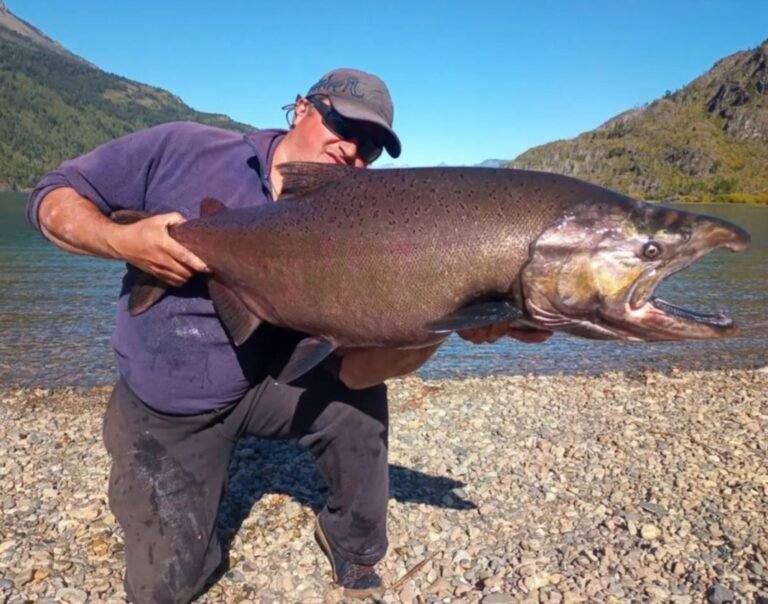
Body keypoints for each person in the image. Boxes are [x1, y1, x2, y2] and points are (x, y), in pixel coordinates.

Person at [26, 68, 551, 603]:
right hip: (173, 403)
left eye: (370, 145)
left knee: (360, 408)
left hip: (279, 380)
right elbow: (52, 197)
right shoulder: (183, 147)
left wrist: (449, 321)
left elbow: (357, 371)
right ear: (302, 108)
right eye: (343, 124)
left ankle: (350, 541)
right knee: (167, 586)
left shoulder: (370, 221)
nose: (352, 149)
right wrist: (121, 239)